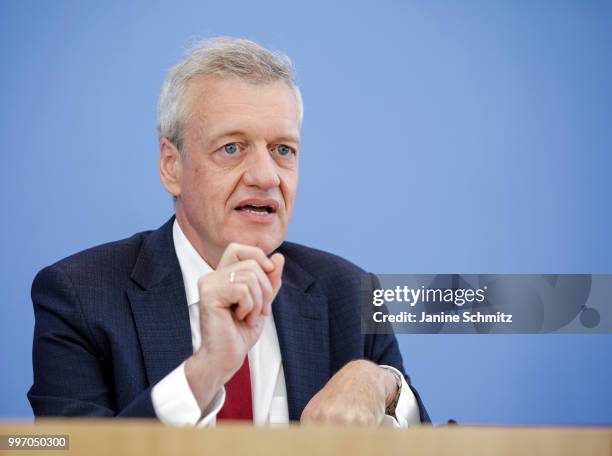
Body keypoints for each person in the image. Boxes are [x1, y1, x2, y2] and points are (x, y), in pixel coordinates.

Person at [28, 37, 430, 427]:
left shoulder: (348, 291)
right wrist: (203, 374)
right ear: (172, 166)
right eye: (232, 148)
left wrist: (382, 384)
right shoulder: (80, 296)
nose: (265, 175)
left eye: (283, 150)